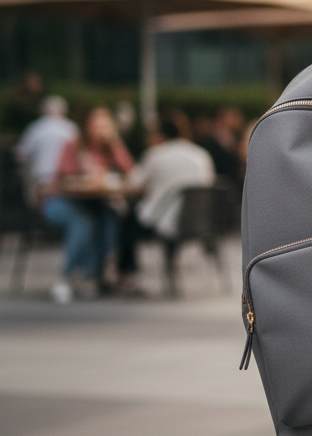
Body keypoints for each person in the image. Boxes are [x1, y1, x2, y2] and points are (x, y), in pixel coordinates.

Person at [43, 107, 134, 303]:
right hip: (62, 201)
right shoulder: (73, 146)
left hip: (95, 202)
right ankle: (65, 278)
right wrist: (85, 172)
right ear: (86, 126)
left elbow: (129, 170)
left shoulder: (111, 146)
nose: (100, 129)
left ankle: (94, 274)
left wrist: (114, 144)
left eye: (105, 125)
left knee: (111, 216)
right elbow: (62, 176)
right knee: (83, 223)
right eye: (96, 124)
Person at [117, 118, 216, 290]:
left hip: (162, 221)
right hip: (197, 221)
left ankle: (127, 275)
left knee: (125, 222)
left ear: (160, 135)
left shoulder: (156, 154)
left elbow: (133, 185)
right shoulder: (201, 155)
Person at [16, 96, 78, 202]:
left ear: (43, 111)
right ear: (64, 111)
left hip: (40, 179)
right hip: (66, 181)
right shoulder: (71, 128)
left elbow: (21, 155)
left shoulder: (35, 128)